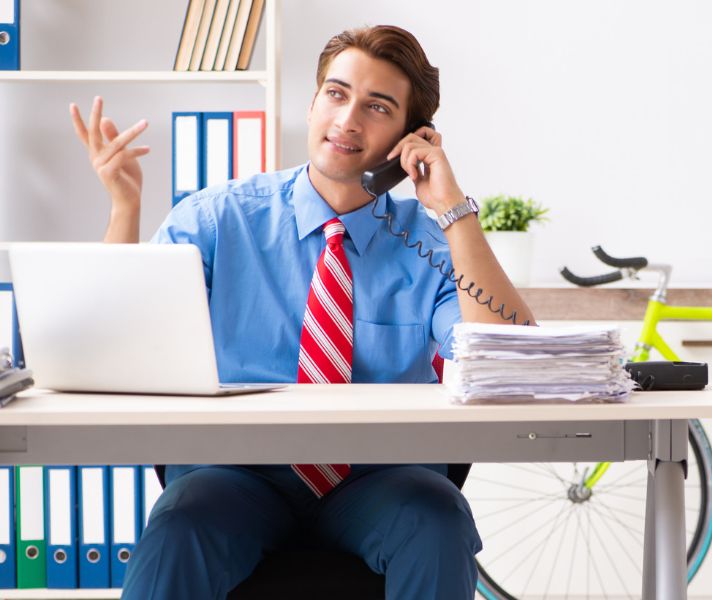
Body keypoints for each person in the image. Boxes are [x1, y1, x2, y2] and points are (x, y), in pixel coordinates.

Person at [68, 25, 535, 599]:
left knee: (437, 516)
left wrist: (453, 211)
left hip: (379, 480)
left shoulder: (434, 245)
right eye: (336, 95)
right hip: (235, 476)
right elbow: (122, 341)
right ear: (312, 103)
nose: (347, 120)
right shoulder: (218, 220)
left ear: (413, 137)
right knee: (181, 519)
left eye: (377, 106)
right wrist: (124, 208)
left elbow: (510, 363)